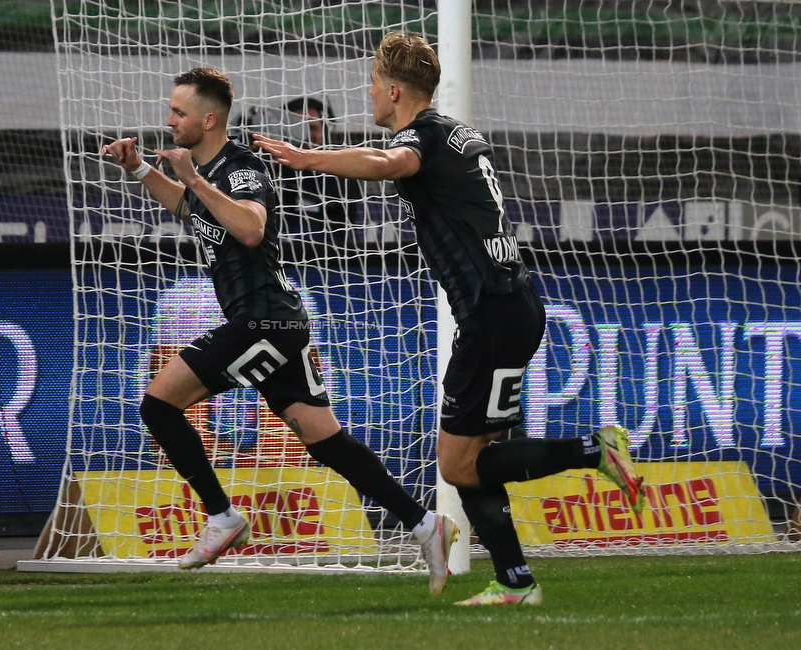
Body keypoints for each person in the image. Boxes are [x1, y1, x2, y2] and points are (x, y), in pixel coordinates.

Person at [254, 32, 645, 606]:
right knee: (476, 460)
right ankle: (515, 582)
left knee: (457, 464)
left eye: (371, 85)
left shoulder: (422, 138)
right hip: (511, 304)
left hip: (490, 313)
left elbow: (392, 162)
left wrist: (310, 157)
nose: (368, 95)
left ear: (393, 90)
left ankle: (595, 451)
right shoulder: (460, 134)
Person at [100, 67, 458, 594]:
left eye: (178, 112)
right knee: (327, 442)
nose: (169, 120)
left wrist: (194, 180)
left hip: (263, 322)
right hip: (274, 326)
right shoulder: (205, 171)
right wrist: (138, 170)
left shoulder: (241, 167)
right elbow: (189, 206)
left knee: (159, 403)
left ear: (209, 119)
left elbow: (249, 227)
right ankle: (427, 525)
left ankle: (221, 515)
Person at [279, 97, 363, 250]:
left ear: (325, 131)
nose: (305, 136)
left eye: (312, 128)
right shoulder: (266, 170)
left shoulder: (340, 173)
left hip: (325, 257)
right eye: (297, 129)